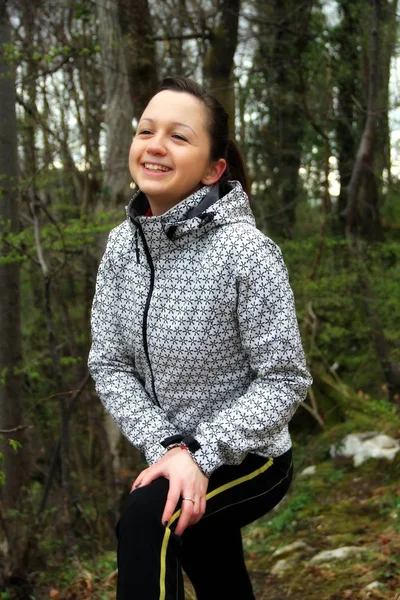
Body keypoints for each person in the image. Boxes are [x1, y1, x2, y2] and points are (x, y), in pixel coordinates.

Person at [87, 75, 313, 600]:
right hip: (170, 453)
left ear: (214, 169)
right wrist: (167, 446)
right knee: (214, 569)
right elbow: (109, 364)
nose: (156, 145)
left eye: (179, 136)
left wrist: (200, 453)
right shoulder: (123, 247)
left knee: (150, 521)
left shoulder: (248, 253)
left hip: (250, 456)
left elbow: (284, 379)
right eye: (146, 130)